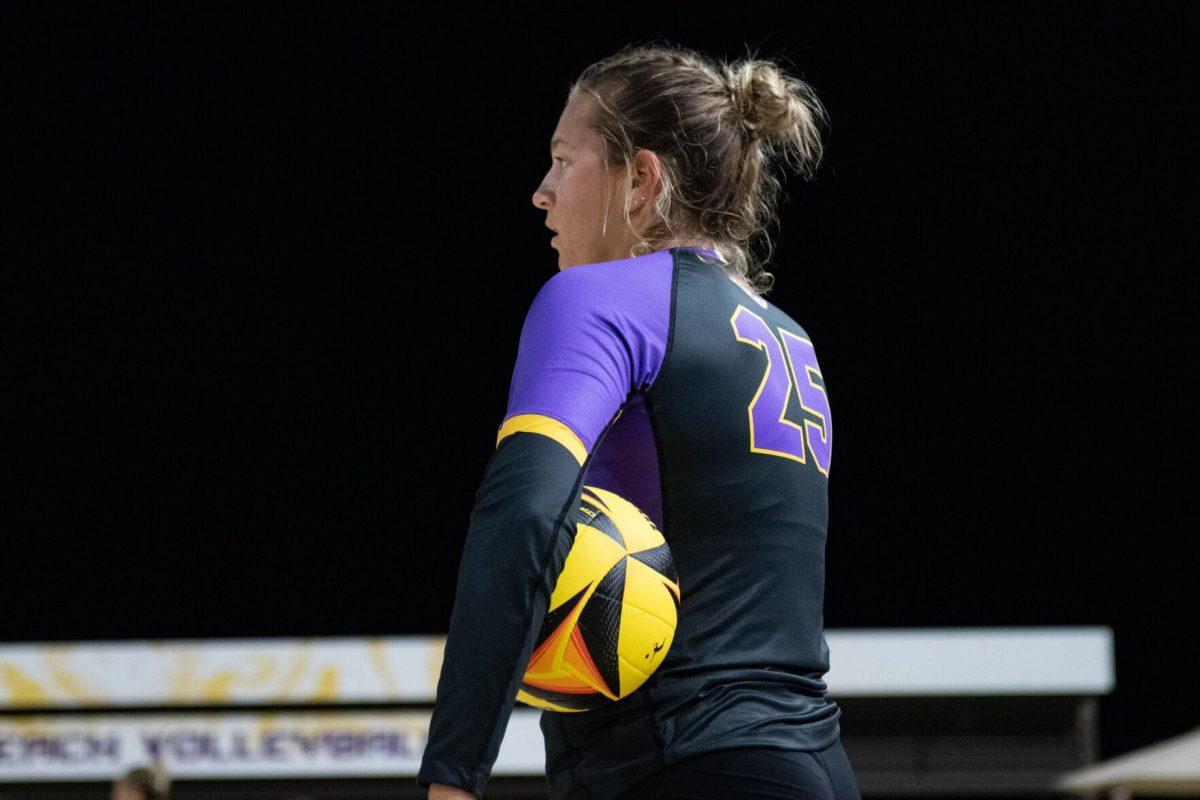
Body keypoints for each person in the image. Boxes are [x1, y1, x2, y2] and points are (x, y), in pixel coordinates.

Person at [418, 44, 859, 800]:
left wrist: (452, 776)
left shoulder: (597, 300)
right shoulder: (791, 337)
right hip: (813, 763)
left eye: (564, 159)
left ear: (641, 178)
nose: (542, 192)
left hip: (676, 763)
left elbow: (523, 516)